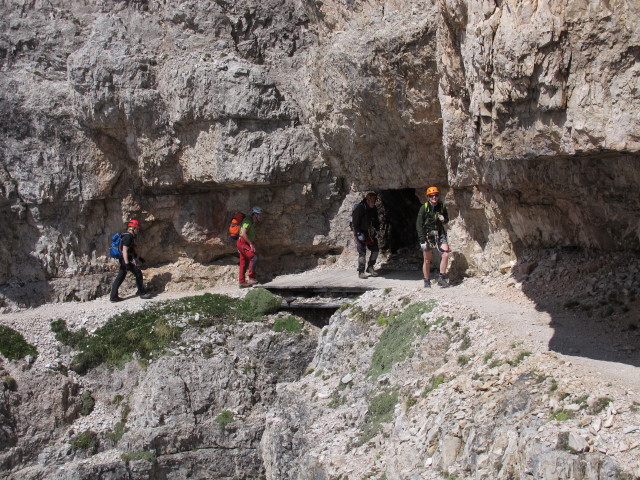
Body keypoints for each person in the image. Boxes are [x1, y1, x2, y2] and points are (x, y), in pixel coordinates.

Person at [416, 186, 450, 288]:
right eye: (431, 196)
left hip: (439, 234)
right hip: (427, 236)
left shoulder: (441, 206)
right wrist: (422, 240)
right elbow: (419, 224)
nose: (434, 197)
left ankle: (441, 278)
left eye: (436, 195)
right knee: (427, 259)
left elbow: (446, 220)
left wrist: (443, 219)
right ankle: (426, 281)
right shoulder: (424, 208)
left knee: (445, 254)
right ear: (428, 197)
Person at [110, 219, 152, 302]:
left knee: (120, 277)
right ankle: (142, 293)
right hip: (126, 260)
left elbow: (131, 250)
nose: (138, 230)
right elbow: (124, 250)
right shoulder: (128, 237)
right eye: (137, 229)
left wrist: (139, 258)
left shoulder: (126, 236)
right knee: (138, 274)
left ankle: (113, 297)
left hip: (123, 259)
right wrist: (127, 263)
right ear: (133, 229)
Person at [352, 192, 381, 279]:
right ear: (367, 201)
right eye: (372, 201)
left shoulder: (373, 208)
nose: (373, 203)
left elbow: (376, 220)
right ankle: (361, 272)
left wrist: (377, 229)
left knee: (375, 250)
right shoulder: (360, 208)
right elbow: (355, 223)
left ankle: (370, 267)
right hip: (360, 232)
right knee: (362, 253)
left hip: (370, 233)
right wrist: (358, 233)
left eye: (374, 201)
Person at [236, 206, 264, 288]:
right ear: (255, 214)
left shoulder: (252, 221)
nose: (262, 216)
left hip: (242, 243)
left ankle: (242, 282)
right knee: (254, 258)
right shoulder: (248, 221)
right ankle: (251, 278)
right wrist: (251, 244)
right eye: (260, 215)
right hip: (243, 243)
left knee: (243, 262)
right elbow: (243, 233)